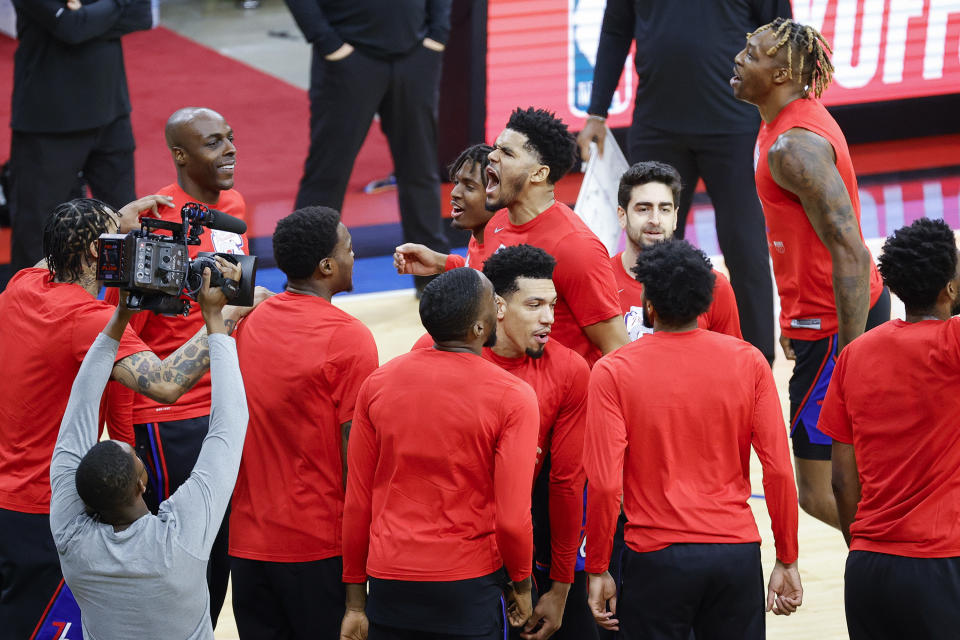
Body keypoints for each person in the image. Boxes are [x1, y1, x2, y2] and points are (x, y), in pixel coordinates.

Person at [0, 198, 238, 638]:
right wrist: (227, 316)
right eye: (120, 237)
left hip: (7, 497)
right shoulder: (85, 318)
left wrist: (115, 222)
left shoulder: (22, 283)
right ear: (97, 251)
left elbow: (58, 252)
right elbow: (167, 382)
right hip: (45, 510)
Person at [583, 239, 801, 639]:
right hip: (735, 554)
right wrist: (787, 557)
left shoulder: (612, 371)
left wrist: (598, 567)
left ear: (648, 304)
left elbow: (604, 483)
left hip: (655, 558)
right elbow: (779, 472)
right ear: (705, 305)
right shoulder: (750, 361)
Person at [732, 17, 890, 528]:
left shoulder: (793, 148)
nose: (738, 58)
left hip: (836, 327)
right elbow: (799, 240)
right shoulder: (782, 118)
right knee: (852, 478)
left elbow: (850, 250)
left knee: (827, 490)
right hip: (823, 318)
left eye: (752, 55)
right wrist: (789, 318)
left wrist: (851, 356)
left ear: (781, 75)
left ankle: (898, 566)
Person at [576, 0, 789, 365]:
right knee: (649, 243)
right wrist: (597, 112)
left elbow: (780, 35)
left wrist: (783, 111)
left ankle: (756, 365)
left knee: (745, 245)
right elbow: (614, 31)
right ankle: (647, 356)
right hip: (658, 125)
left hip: (733, 125)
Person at [103, 106, 252, 622]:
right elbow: (119, 340)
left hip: (228, 410)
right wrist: (122, 440)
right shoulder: (154, 226)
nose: (230, 149)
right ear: (182, 155)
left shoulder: (232, 208)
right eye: (214, 143)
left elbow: (238, 303)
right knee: (187, 561)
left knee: (225, 558)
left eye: (230, 138)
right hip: (171, 425)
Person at [49, 262, 249, 640]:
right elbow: (230, 423)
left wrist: (121, 314)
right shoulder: (181, 539)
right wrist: (215, 321)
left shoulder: (69, 536)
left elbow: (78, 407)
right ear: (144, 484)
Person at [340, 267, 540, 640]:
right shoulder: (512, 397)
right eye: (492, 304)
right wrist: (523, 585)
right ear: (478, 329)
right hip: (468, 586)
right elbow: (513, 519)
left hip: (390, 584)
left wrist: (354, 602)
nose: (498, 309)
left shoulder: (376, 385)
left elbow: (357, 502)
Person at [229, 207, 378, 638]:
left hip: (249, 546)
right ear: (327, 266)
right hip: (317, 548)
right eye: (348, 250)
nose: (354, 257)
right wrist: (357, 593)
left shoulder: (248, 322)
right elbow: (359, 467)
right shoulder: (349, 338)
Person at [819, 218, 960, 640]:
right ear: (950, 286)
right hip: (941, 562)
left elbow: (843, 481)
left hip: (868, 571)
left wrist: (861, 551)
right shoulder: (953, 342)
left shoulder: (854, 355)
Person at [398, 107, 628, 366]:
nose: (492, 157)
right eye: (496, 147)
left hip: (552, 395)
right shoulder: (497, 219)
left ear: (539, 173)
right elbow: (490, 274)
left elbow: (615, 346)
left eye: (506, 152)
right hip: (498, 377)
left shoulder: (575, 248)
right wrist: (441, 263)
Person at [283, 0, 452, 294]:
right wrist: (325, 40)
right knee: (327, 174)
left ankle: (434, 280)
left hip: (415, 56)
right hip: (348, 57)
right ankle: (303, 281)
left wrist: (438, 33)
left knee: (421, 169)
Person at [480, 245, 590, 640]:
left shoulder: (569, 370)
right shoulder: (442, 355)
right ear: (498, 306)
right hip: (459, 553)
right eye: (534, 305)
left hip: (527, 540)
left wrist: (560, 587)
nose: (548, 319)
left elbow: (567, 483)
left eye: (553, 305)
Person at [5, 0, 152, 287]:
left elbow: (141, 15)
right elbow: (70, 27)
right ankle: (28, 320)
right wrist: (116, 6)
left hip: (112, 114)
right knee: (36, 235)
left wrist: (87, 16)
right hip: (48, 122)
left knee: (125, 223)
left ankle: (126, 321)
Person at [614, 161, 741, 341]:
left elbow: (731, 361)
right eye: (644, 209)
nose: (655, 220)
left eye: (665, 209)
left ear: (675, 217)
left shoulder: (713, 285)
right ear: (622, 215)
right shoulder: (600, 281)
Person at [394, 143, 495, 274]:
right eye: (457, 182)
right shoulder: (481, 236)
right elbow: (480, 269)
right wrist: (438, 263)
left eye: (469, 187)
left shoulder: (510, 247)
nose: (454, 193)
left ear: (497, 193)